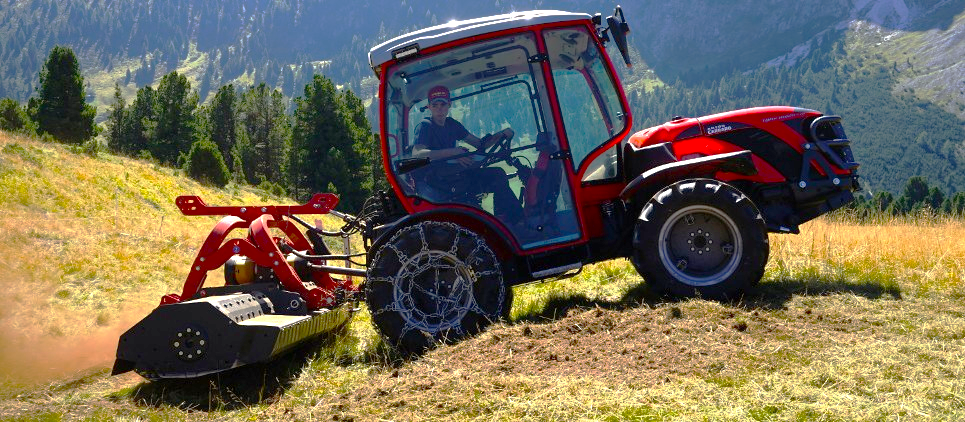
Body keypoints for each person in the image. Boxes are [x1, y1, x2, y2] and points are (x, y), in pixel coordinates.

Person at [411, 85, 524, 222]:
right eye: (435, 105)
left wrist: (500, 135)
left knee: (497, 174)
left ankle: (507, 220)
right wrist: (453, 153)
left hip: (458, 175)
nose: (439, 108)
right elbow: (418, 154)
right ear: (429, 107)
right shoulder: (425, 126)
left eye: (443, 104)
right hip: (439, 182)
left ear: (449, 105)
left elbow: (480, 144)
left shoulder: (452, 124)